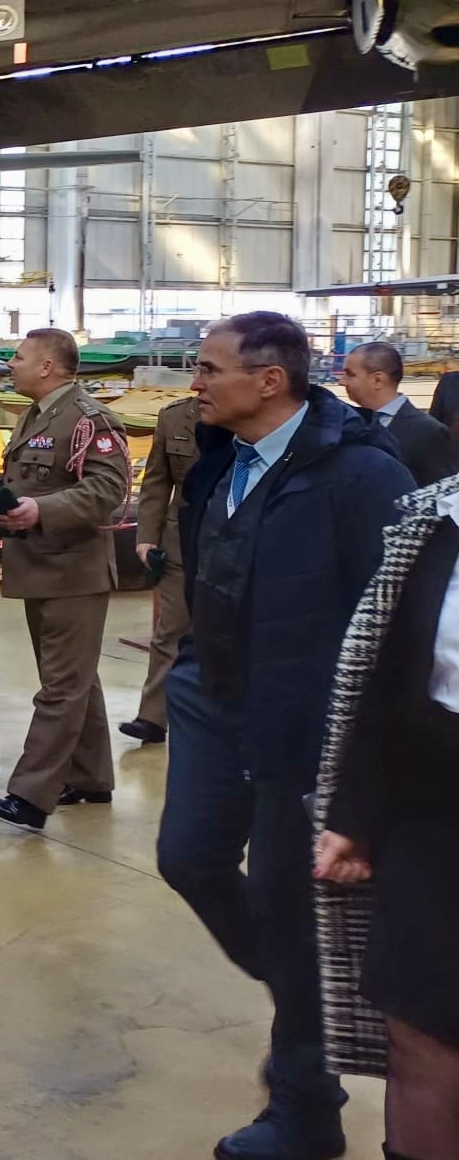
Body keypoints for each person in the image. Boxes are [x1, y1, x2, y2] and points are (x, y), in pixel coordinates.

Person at [154, 312, 413, 1160]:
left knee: (286, 904)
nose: (195, 383)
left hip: (302, 726)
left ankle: (307, 1107)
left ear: (270, 380)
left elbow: (395, 624)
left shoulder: (361, 475)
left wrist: (367, 773)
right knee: (188, 857)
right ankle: (309, 994)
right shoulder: (218, 461)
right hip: (213, 700)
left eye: (209, 369)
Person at [314, 475, 459, 1160]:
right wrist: (356, 813)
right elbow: (393, 675)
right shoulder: (437, 521)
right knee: (418, 1026)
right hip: (435, 808)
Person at [0, 328, 131, 831]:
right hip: (42, 568)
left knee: (61, 687)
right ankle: (90, 777)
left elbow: (109, 488)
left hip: (73, 572)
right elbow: (31, 481)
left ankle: (30, 795)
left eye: (19, 357)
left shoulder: (88, 418)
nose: (11, 364)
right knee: (74, 680)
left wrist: (42, 511)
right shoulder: (38, 414)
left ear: (46, 366)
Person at [123, 394, 199, 746]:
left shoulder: (250, 415)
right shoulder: (174, 418)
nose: (199, 380)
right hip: (178, 543)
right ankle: (152, 718)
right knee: (170, 632)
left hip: (233, 544)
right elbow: (156, 482)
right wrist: (147, 537)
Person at [340, 342, 459, 487]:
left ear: (378, 380)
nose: (342, 381)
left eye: (350, 374)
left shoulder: (429, 432)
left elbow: (441, 493)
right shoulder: (351, 422)